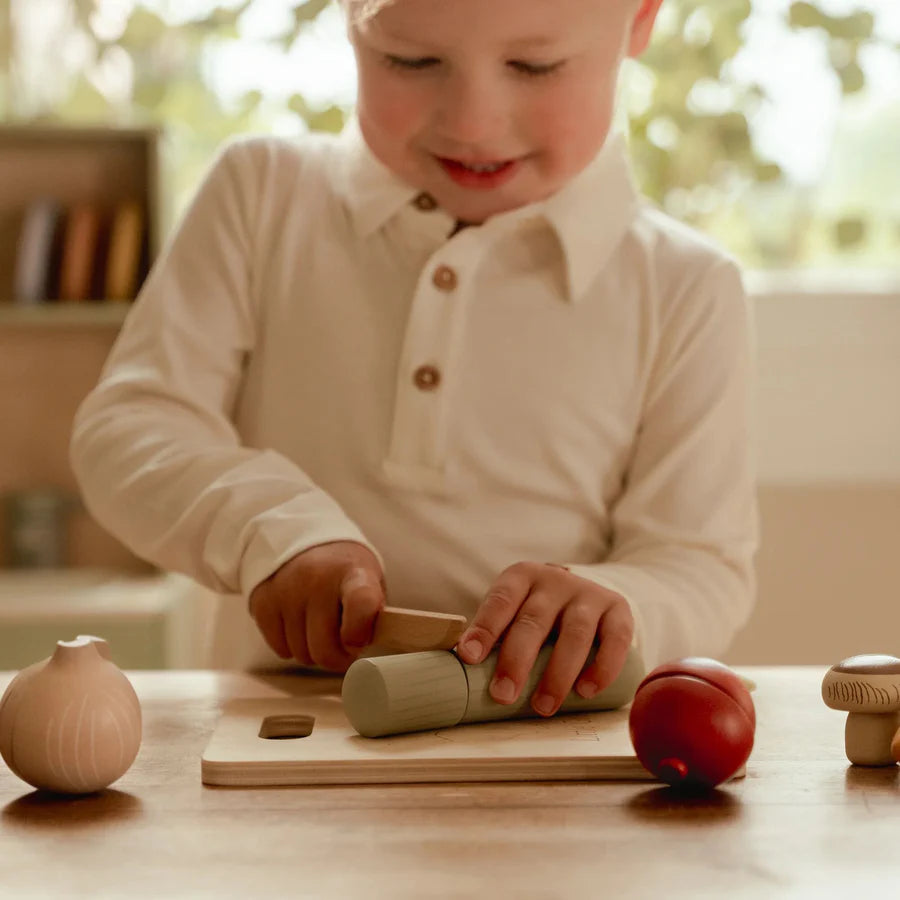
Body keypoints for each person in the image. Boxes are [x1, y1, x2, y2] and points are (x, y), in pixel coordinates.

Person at [70, 0, 758, 719]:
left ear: (640, 21)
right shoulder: (261, 195)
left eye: (534, 65)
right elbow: (128, 428)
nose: (472, 122)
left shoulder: (687, 285)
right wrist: (270, 530)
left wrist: (610, 611)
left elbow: (699, 568)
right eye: (411, 61)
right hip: (283, 739)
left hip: (541, 748)